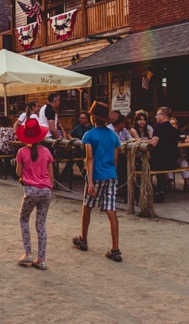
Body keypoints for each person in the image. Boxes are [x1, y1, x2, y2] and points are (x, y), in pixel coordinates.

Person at [72, 101, 122, 263]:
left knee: (87, 207)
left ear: (93, 119)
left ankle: (84, 238)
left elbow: (89, 158)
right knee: (111, 210)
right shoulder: (113, 135)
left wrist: (91, 180)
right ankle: (115, 249)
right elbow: (115, 159)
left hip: (97, 175)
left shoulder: (89, 135)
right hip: (111, 175)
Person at [15, 118, 54, 271]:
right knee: (41, 224)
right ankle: (41, 259)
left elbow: (18, 172)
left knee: (24, 219)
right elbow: (51, 175)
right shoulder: (47, 152)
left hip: (31, 190)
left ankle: (28, 252)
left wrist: (24, 176)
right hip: (45, 190)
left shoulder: (22, 152)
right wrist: (49, 187)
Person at [145, 107, 184, 200]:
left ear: (164, 116)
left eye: (157, 115)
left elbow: (154, 142)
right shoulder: (174, 129)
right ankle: (160, 190)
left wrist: (141, 140)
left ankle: (147, 190)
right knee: (158, 162)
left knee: (143, 164)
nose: (155, 117)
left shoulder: (159, 127)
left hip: (159, 163)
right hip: (172, 163)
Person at [169, 117, 189, 191]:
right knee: (167, 163)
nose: (171, 126)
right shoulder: (165, 132)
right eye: (170, 124)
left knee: (184, 162)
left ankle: (187, 184)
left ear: (176, 125)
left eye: (173, 124)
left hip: (176, 156)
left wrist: (181, 142)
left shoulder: (178, 132)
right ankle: (169, 184)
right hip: (167, 156)